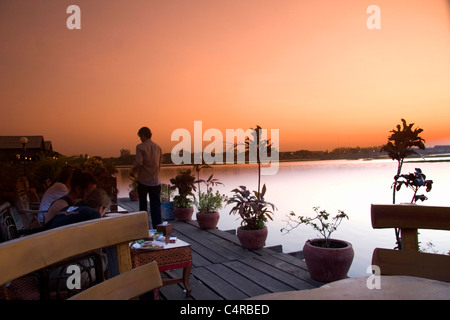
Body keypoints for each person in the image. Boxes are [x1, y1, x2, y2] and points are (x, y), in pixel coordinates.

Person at [130, 126, 162, 228]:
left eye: (140, 136)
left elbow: (139, 162)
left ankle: (144, 228)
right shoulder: (158, 147)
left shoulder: (140, 147)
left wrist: (133, 172)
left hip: (143, 181)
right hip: (155, 181)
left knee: (143, 206)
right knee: (156, 207)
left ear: (143, 135)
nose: (140, 138)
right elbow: (159, 164)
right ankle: (158, 228)